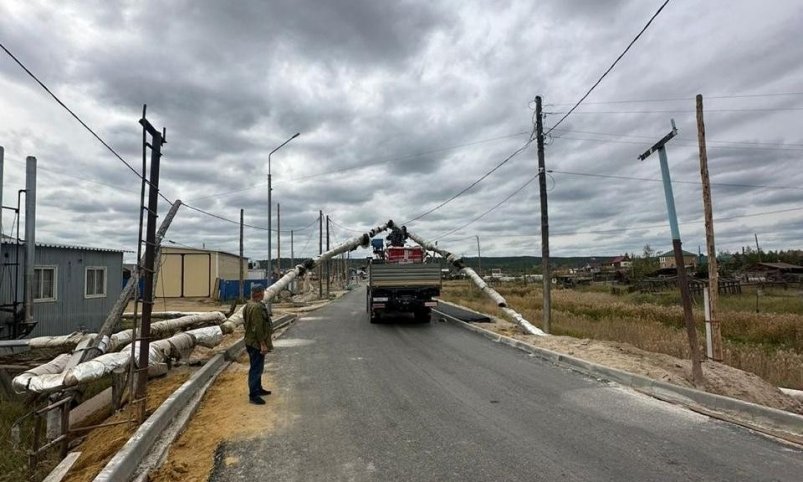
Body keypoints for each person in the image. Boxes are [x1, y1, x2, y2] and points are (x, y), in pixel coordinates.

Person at [243, 283, 273, 405]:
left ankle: (258, 388)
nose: (263, 294)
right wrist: (262, 344)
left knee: (258, 367)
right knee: (256, 369)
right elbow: (257, 327)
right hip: (256, 343)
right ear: (259, 293)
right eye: (262, 292)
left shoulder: (248, 305)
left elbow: (246, 323)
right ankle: (253, 395)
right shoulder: (256, 308)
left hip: (250, 340)